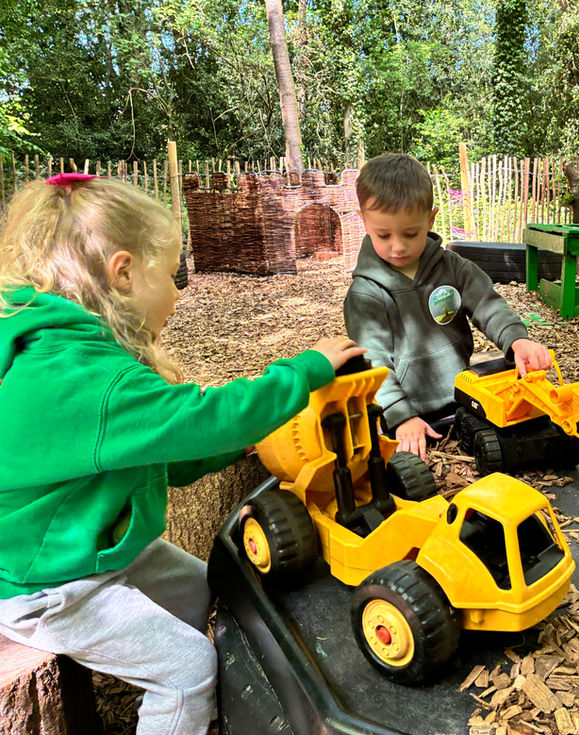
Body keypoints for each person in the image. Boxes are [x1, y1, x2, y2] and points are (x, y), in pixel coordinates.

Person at [0, 174, 365, 735]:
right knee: (187, 670)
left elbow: (164, 455)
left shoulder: (71, 356)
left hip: (85, 548)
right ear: (123, 273)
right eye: (171, 277)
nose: (179, 292)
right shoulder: (86, 381)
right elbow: (203, 417)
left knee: (215, 583)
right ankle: (178, 702)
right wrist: (304, 370)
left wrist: (238, 444)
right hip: (42, 585)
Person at [343, 153, 551, 460]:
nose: (397, 246)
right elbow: (373, 363)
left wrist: (517, 340)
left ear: (430, 220)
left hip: (461, 398)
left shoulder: (452, 268)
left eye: (410, 233)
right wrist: (400, 416)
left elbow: (487, 305)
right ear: (364, 222)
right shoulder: (366, 293)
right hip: (406, 415)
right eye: (383, 235)